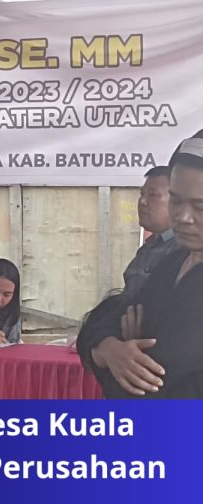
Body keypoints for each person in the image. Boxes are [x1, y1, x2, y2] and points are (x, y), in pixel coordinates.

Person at [77, 136, 203, 398]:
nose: (183, 217)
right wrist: (110, 347)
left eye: (200, 206)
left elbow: (150, 383)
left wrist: (116, 355)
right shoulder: (174, 261)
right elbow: (113, 311)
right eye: (176, 201)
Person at [122, 166, 178, 296]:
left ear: (178, 201)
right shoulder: (147, 249)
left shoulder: (185, 251)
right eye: (142, 194)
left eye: (153, 195)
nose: (142, 202)